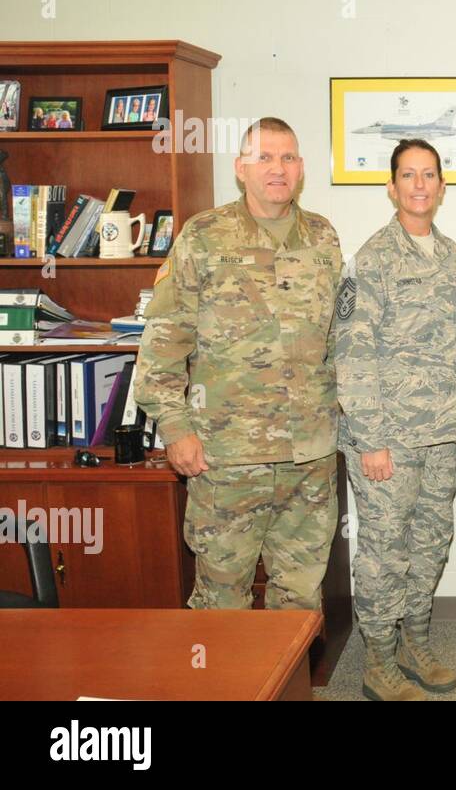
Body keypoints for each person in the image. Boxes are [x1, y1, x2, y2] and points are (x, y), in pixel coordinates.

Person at [134, 116, 343, 613]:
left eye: (288, 158)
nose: (278, 169)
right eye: (264, 157)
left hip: (308, 458)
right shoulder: (204, 236)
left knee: (300, 598)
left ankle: (285, 692)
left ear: (302, 169)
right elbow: (164, 339)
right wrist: (175, 428)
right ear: (241, 168)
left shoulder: (323, 237)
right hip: (226, 456)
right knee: (222, 599)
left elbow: (335, 339)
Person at [334, 139, 456, 701]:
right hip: (386, 439)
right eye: (408, 176)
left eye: (429, 175)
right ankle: (379, 662)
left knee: (433, 541)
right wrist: (369, 439)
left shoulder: (454, 255)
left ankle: (415, 642)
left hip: (440, 434)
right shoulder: (371, 260)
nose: (420, 185)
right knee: (386, 552)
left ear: (441, 187)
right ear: (391, 188)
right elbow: (352, 353)